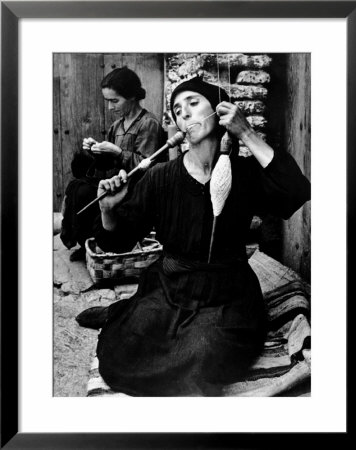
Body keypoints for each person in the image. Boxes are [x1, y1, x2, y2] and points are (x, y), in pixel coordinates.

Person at [76, 77, 311, 396]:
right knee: (132, 342)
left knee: (203, 349)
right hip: (171, 285)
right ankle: (121, 312)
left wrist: (246, 131)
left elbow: (295, 192)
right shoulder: (160, 177)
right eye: (177, 109)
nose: (184, 113)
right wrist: (108, 210)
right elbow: (115, 242)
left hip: (229, 292)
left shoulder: (242, 174)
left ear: (220, 111)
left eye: (193, 103)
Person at [60, 66, 164, 261]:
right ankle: (86, 243)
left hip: (136, 189)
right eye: (108, 101)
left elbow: (147, 166)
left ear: (132, 96)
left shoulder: (148, 124)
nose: (110, 107)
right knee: (77, 186)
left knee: (86, 193)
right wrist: (95, 151)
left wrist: (117, 152)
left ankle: (100, 244)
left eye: (114, 101)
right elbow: (107, 165)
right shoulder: (117, 126)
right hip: (116, 183)